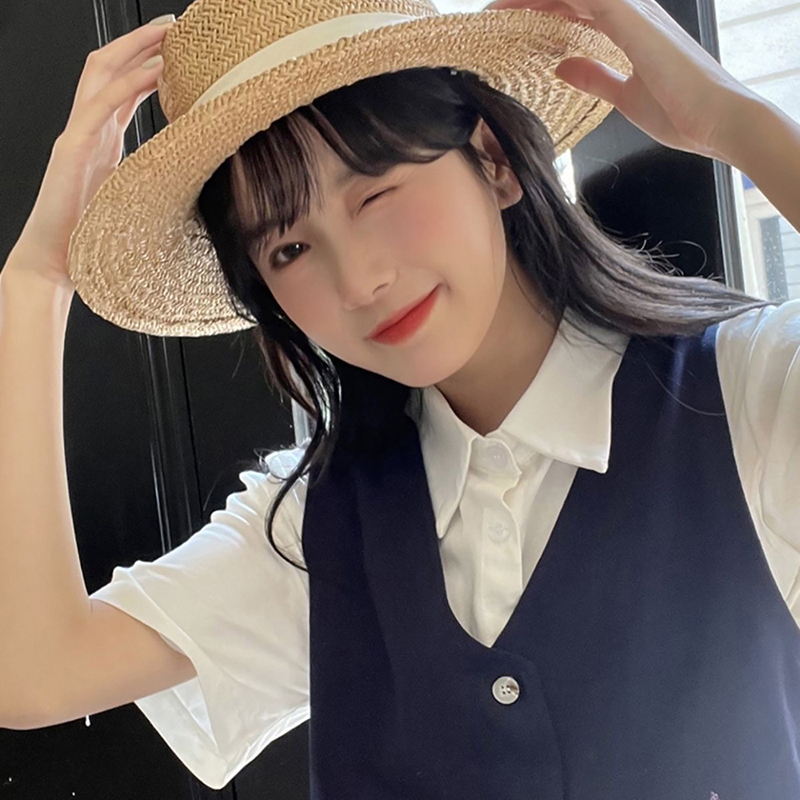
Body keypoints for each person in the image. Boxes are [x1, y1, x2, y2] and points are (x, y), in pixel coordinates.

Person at [1, 0, 799, 796]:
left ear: (492, 157)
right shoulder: (317, 526)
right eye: (289, 248)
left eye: (374, 193)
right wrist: (33, 283)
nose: (359, 281)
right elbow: (36, 671)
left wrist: (737, 123)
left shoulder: (746, 397)